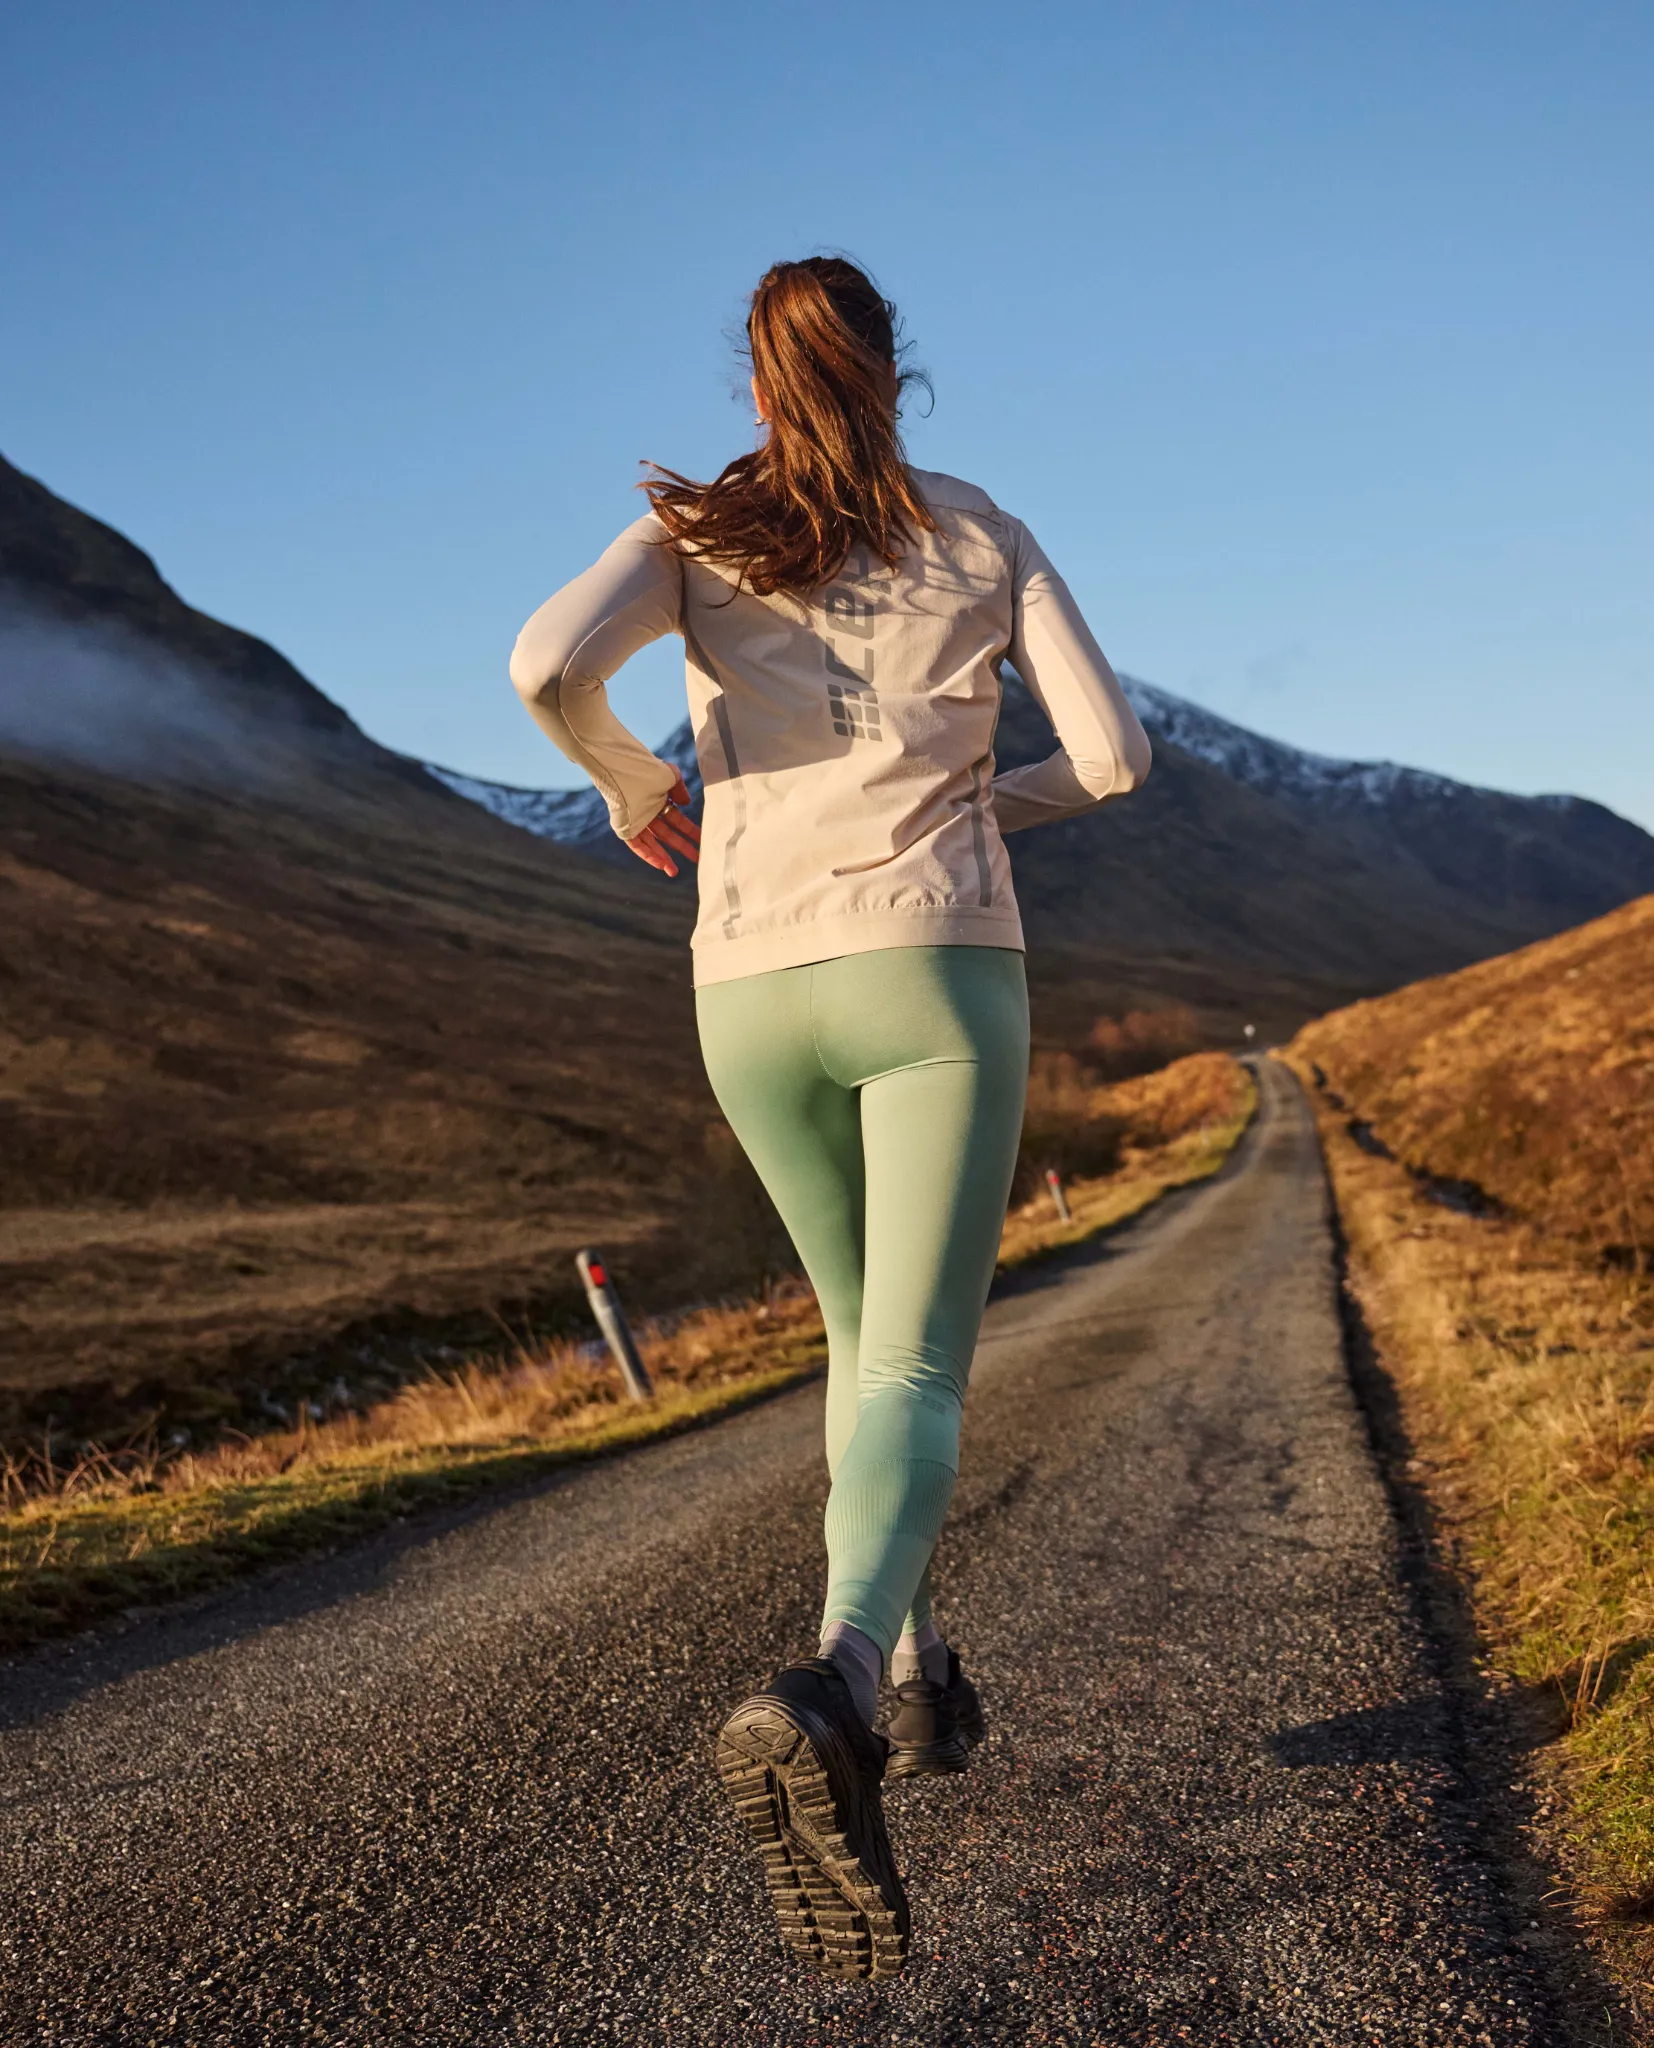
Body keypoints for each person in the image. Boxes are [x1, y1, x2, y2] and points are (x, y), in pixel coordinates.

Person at [508, 256, 1149, 1981]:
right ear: (892, 367)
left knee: (860, 1345)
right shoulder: (978, 527)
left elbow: (543, 661)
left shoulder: (700, 533)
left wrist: (641, 785)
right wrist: (980, 801)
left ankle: (923, 1675)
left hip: (745, 987)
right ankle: (847, 1680)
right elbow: (1113, 759)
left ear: (761, 381)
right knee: (922, 1370)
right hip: (934, 967)